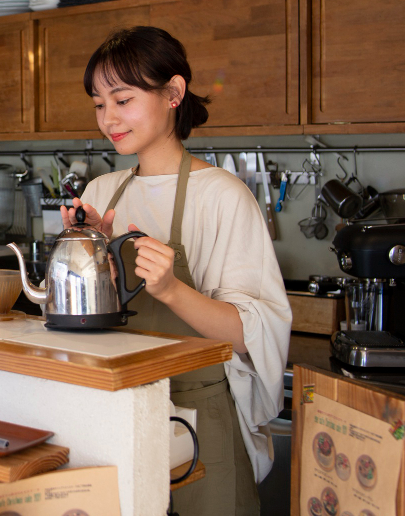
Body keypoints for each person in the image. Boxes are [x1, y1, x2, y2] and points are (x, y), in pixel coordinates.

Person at [62, 26, 291, 516]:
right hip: (118, 406)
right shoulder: (103, 191)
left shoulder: (223, 195)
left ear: (173, 93)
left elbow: (253, 333)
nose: (109, 119)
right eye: (99, 104)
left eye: (122, 99)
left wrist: (169, 288)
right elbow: (88, 325)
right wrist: (88, 250)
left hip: (200, 413)